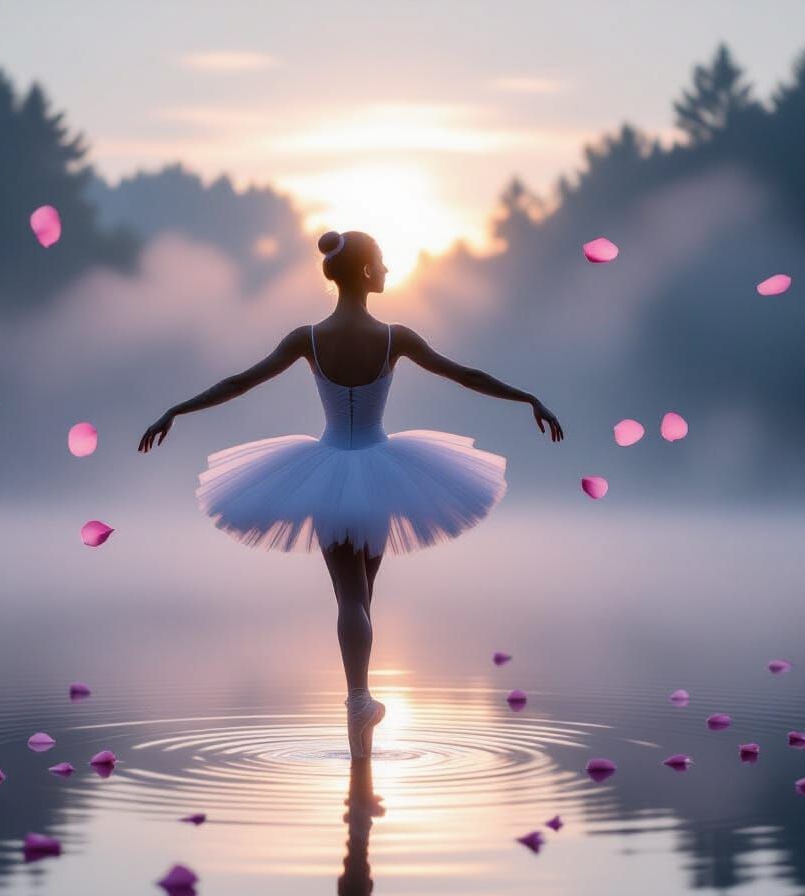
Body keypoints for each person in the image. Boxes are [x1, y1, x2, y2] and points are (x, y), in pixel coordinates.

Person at [138, 230, 564, 759]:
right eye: (383, 263)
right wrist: (527, 399)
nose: (388, 271)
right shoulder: (394, 336)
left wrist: (175, 410)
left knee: (351, 596)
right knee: (363, 595)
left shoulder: (308, 338)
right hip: (383, 472)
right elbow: (464, 374)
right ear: (364, 272)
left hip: (330, 471)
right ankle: (357, 709)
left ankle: (357, 706)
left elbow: (240, 382)